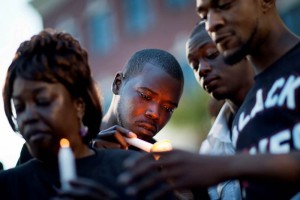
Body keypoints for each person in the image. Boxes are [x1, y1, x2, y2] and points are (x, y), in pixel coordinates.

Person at [117, 0, 300, 199]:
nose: (212, 23)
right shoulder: (245, 115)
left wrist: (222, 166)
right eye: (204, 15)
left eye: (224, 5)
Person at [0, 29, 175, 200]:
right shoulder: (7, 186)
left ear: (79, 104)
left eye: (43, 101)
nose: (29, 116)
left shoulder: (135, 173)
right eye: (20, 107)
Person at [186, 21, 254, 199]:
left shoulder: (287, 104)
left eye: (211, 54)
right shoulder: (209, 149)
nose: (202, 69)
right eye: (194, 66)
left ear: (243, 51)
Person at [93, 49, 184, 151]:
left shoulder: (158, 162)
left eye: (168, 108)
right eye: (145, 96)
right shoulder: (77, 145)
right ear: (118, 84)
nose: (155, 114)